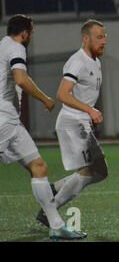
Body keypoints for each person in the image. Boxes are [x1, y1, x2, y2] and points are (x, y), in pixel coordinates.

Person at [0, 14, 86, 240]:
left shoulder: (3, 44)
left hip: (11, 121)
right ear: (24, 33)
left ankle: (56, 225)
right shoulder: (17, 47)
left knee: (39, 167)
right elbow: (20, 79)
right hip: (3, 118)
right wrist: (45, 98)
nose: (31, 37)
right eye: (32, 33)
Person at [36, 19, 108, 229]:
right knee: (86, 172)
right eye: (99, 37)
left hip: (82, 122)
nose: (103, 42)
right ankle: (50, 211)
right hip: (72, 122)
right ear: (85, 38)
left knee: (101, 172)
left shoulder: (95, 60)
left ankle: (54, 189)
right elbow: (62, 94)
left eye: (105, 37)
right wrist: (89, 110)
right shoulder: (78, 62)